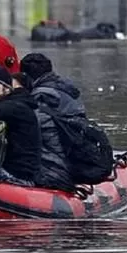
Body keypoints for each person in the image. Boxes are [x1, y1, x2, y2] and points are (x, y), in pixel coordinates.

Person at [20, 53, 84, 191]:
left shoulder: (42, 95)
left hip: (59, 158)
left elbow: (34, 128)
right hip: (77, 148)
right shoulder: (66, 87)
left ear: (25, 76)